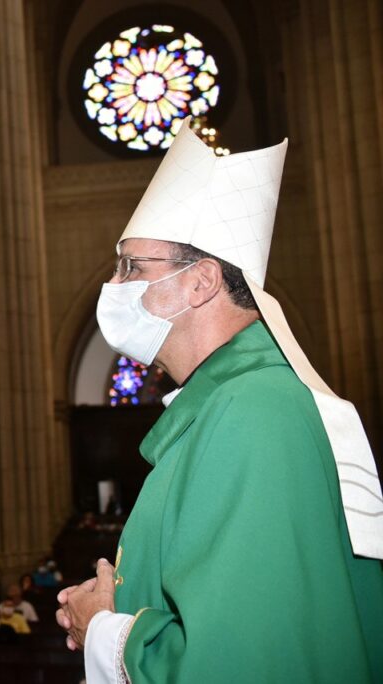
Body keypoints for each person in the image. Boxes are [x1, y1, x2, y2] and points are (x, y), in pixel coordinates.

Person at [55, 119, 383, 683]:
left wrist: (104, 628)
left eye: (134, 266)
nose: (115, 285)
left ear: (201, 281)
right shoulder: (224, 406)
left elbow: (240, 662)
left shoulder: (253, 413)